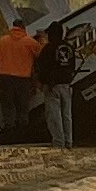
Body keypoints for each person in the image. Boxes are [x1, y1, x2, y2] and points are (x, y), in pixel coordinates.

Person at [0, 6, 41, 139]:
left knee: (8, 107)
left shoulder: (3, 40)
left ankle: (9, 132)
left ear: (13, 27)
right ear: (24, 28)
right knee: (22, 107)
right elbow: (40, 55)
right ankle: (22, 132)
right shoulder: (30, 42)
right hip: (23, 80)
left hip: (5, 78)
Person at [36, 14, 78, 146]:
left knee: (54, 115)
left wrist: (43, 82)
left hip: (52, 86)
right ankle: (69, 141)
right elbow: (73, 65)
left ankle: (59, 142)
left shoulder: (48, 48)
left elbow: (42, 66)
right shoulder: (69, 47)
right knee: (67, 115)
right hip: (67, 84)